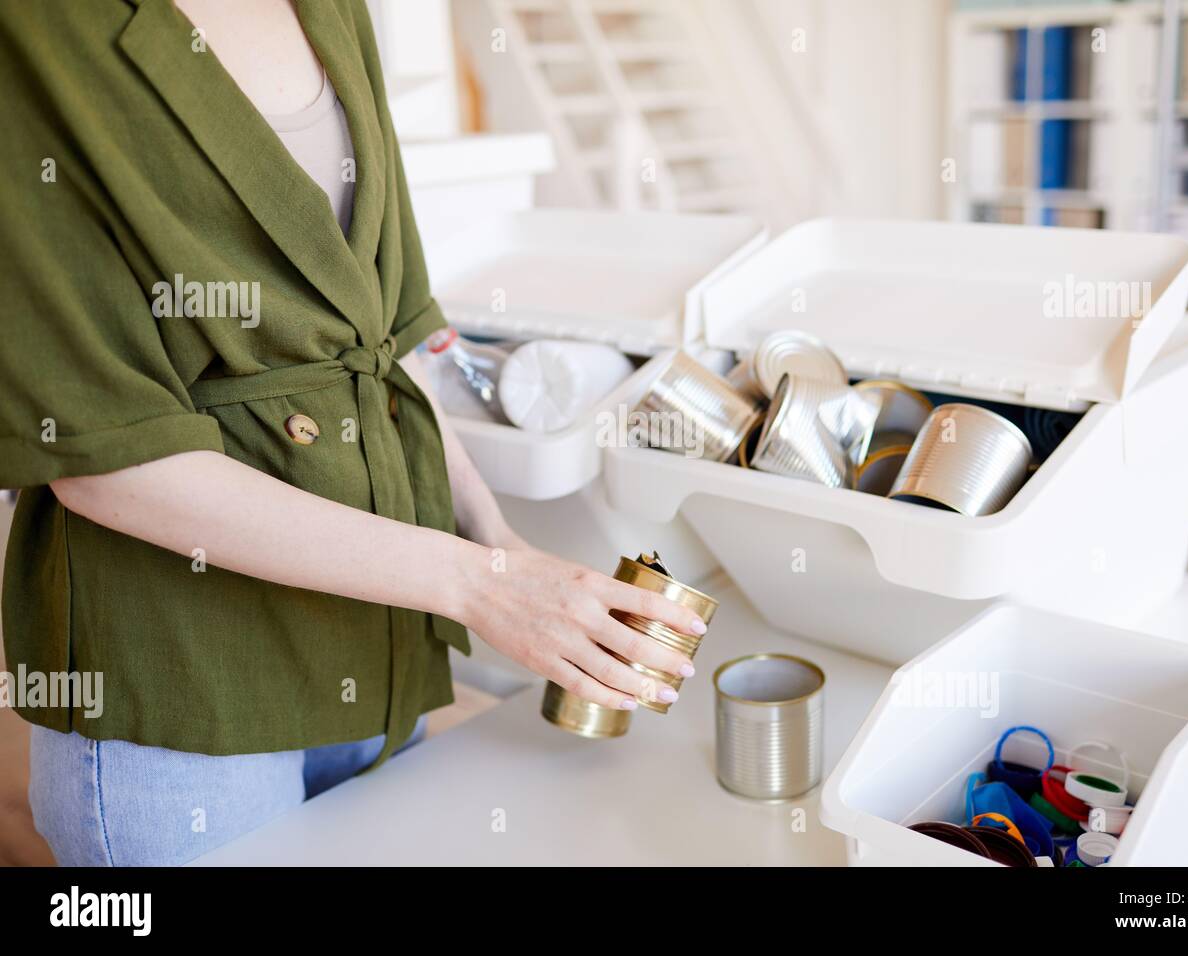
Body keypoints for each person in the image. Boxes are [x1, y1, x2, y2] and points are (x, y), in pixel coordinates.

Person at [0, 0, 702, 866]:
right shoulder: (36, 28)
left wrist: (502, 545)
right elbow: (108, 460)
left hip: (374, 637)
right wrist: (484, 586)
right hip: (185, 673)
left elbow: (387, 342)